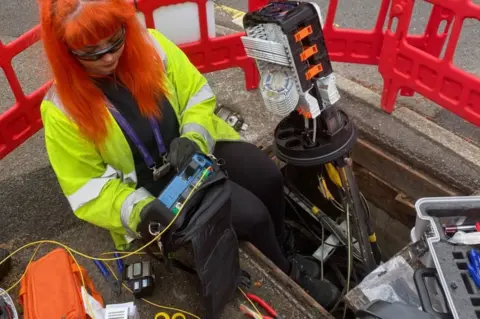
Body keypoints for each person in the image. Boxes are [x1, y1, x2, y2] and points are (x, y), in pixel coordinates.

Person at [38, 0, 339, 308]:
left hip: (192, 154)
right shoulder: (61, 110)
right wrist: (141, 212)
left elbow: (197, 94)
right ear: (66, 51)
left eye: (115, 41)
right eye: (91, 53)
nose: (109, 57)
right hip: (151, 193)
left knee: (268, 176)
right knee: (252, 217)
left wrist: (193, 138)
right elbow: (87, 188)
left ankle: (281, 247)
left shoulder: (153, 45)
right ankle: (289, 274)